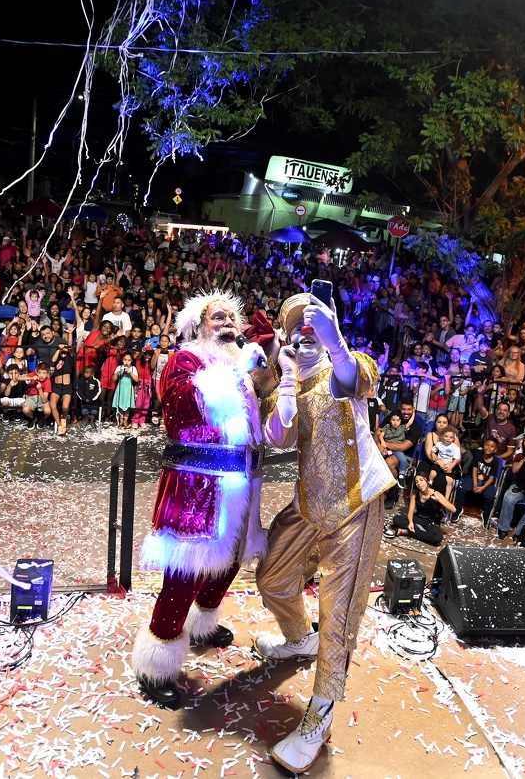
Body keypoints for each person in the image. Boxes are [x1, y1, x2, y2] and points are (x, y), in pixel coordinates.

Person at [253, 292, 395, 774]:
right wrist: (284, 381)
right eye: (298, 326)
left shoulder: (347, 363)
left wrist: (336, 345)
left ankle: (319, 719)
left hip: (356, 503)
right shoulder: (290, 381)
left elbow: (356, 380)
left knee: (337, 617)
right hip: (309, 503)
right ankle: (299, 638)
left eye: (315, 323)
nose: (307, 331)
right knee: (272, 577)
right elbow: (278, 436)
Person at [130, 290, 269, 710]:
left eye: (232, 318)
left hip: (241, 481)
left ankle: (203, 623)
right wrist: (237, 371)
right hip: (197, 485)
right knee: (186, 574)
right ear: (198, 326)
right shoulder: (184, 360)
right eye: (218, 317)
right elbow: (185, 408)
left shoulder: (240, 368)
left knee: (231, 561)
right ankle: (155, 664)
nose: (228, 325)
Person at [389, 474, 457, 545]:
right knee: (396, 519)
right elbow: (411, 511)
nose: (419, 483)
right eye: (416, 482)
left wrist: (438, 499)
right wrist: (410, 522)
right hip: (418, 519)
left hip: (431, 522)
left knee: (437, 537)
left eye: (421, 480)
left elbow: (453, 509)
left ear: (427, 481)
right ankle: (419, 531)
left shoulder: (435, 493)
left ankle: (408, 532)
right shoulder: (415, 494)